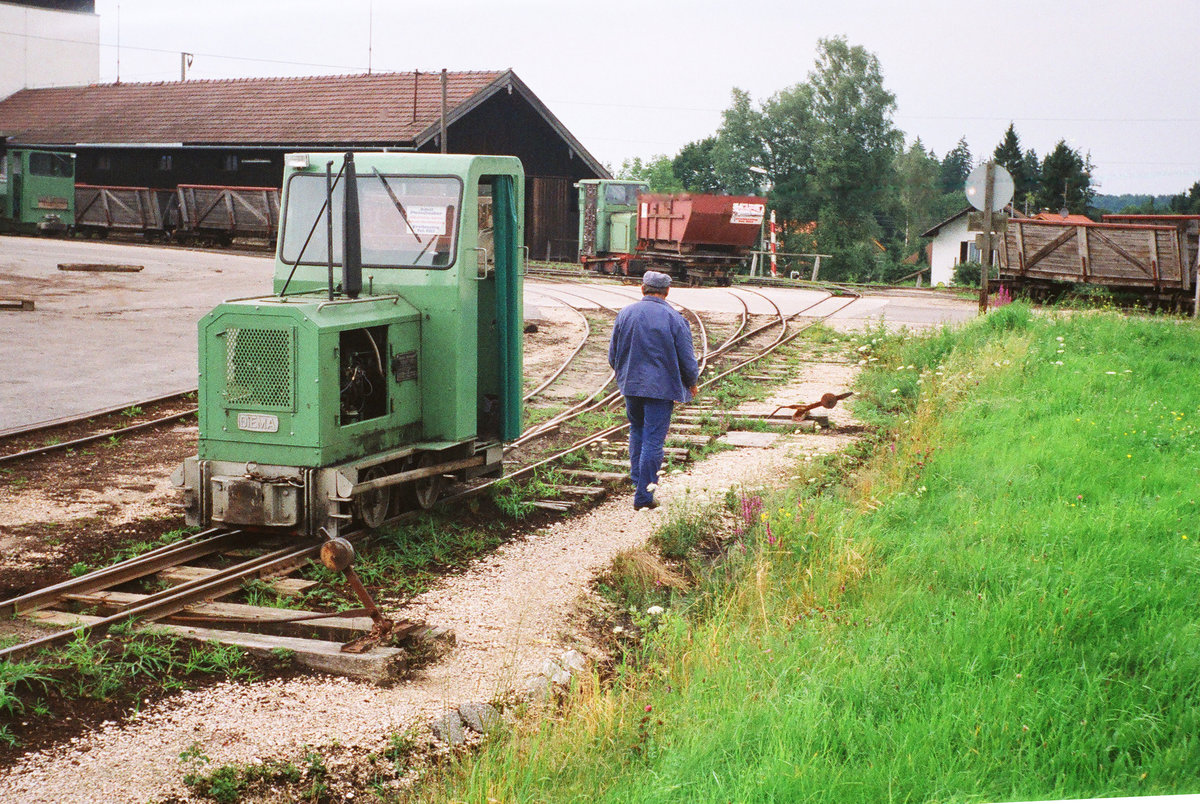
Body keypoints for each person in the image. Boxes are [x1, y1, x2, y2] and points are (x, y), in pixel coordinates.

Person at [608, 270, 700, 510]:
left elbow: (612, 355)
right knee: (653, 440)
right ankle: (644, 497)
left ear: (642, 288)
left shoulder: (625, 314)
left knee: (637, 431)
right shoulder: (675, 318)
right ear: (667, 292)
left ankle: (639, 482)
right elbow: (687, 358)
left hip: (632, 386)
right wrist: (692, 382)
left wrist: (624, 375)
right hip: (661, 389)